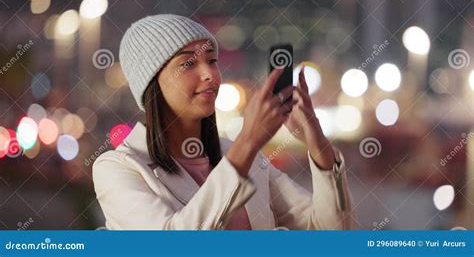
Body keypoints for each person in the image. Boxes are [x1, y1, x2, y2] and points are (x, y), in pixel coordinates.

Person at [92, 14, 354, 230]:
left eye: (212, 61)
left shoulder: (243, 157)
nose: (209, 74)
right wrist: (248, 141)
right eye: (188, 63)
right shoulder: (118, 168)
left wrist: (316, 140)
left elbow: (332, 232)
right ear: (151, 83)